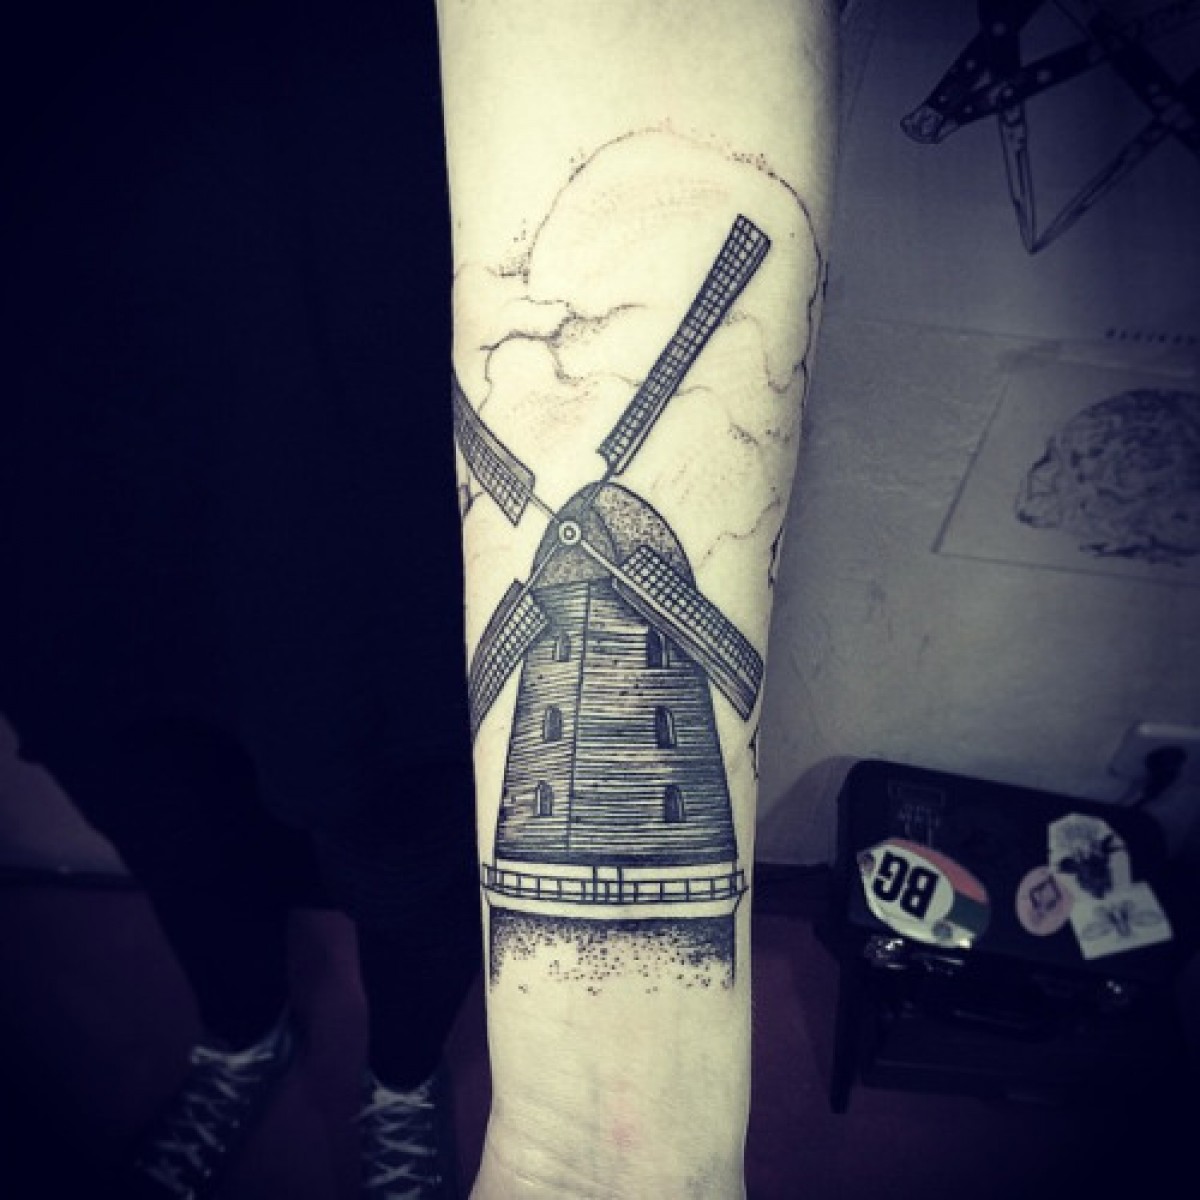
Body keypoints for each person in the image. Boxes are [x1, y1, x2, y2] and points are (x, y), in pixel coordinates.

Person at [3, 2, 836, 1197]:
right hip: (66, 441)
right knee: (162, 807)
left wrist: (599, 1143)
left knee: (406, 839)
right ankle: (241, 1033)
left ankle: (401, 1077)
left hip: (353, 427)